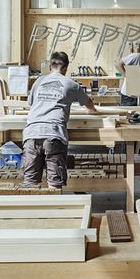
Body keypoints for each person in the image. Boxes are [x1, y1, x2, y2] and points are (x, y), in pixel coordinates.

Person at [22, 51, 97, 189]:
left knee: (30, 183)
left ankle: (32, 208)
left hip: (31, 134)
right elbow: (89, 103)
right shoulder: (71, 84)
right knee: (55, 184)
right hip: (54, 135)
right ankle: (54, 207)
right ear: (66, 68)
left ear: (50, 66)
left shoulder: (38, 81)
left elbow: (31, 103)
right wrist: (92, 111)